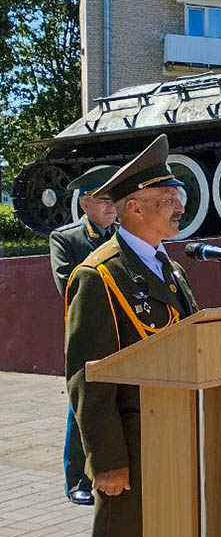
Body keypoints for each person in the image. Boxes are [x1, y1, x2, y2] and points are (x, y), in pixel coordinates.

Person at [64, 135, 197, 537]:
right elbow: (86, 378)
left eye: (177, 195)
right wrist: (106, 460)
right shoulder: (99, 276)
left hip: (174, 434)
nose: (179, 205)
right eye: (168, 197)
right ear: (134, 207)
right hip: (131, 440)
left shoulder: (169, 267)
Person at [50, 165, 120, 506]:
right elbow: (68, 286)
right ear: (85, 204)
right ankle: (78, 478)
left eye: (113, 198)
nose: (111, 205)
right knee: (83, 403)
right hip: (88, 334)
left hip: (125, 332)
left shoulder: (125, 235)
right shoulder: (66, 239)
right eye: (102, 199)